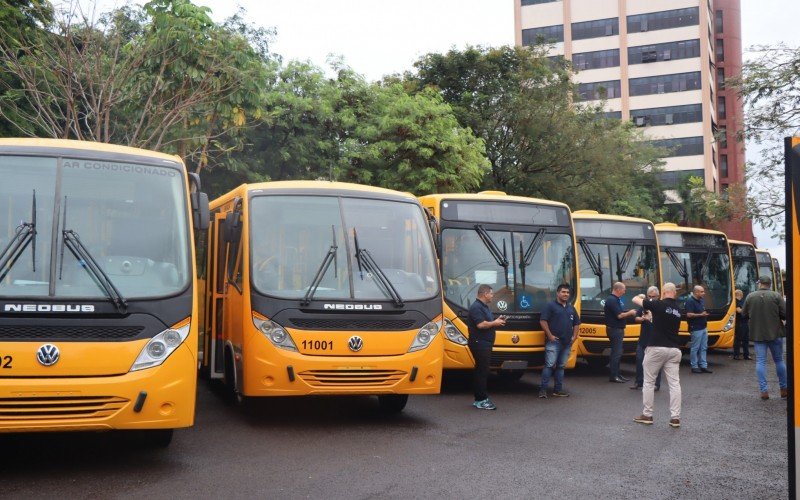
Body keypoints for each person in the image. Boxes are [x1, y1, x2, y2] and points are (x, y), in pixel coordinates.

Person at [632, 282, 683, 428]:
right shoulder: (678, 310)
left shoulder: (659, 305)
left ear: (664, 292)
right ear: (674, 293)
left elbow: (635, 300)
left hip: (656, 348)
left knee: (648, 382)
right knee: (674, 384)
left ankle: (647, 414)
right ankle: (675, 418)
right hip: (674, 349)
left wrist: (643, 297)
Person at [742, 275, 787, 400]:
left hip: (758, 334)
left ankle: (764, 391)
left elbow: (744, 314)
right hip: (775, 333)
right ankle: (784, 389)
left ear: (759, 283)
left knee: (761, 361)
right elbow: (785, 314)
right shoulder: (776, 296)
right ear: (770, 284)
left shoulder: (750, 296)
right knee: (779, 361)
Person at [467, 284, 506, 410]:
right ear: (485, 294)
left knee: (482, 370)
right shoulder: (476, 307)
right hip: (480, 343)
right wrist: (494, 323)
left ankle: (480, 398)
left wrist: (496, 320)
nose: (492, 296)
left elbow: (487, 322)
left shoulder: (483, 307)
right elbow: (480, 325)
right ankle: (481, 399)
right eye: (491, 294)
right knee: (482, 371)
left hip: (484, 343)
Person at [538, 283, 580, 399]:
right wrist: (550, 335)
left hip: (567, 342)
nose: (566, 294)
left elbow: (577, 323)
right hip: (554, 342)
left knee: (561, 367)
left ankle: (558, 390)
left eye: (567, 293)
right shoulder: (550, 306)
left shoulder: (571, 308)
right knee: (549, 365)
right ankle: (543, 390)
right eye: (563, 292)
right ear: (558, 293)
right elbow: (543, 321)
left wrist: (574, 337)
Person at [604, 282, 637, 383]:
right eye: (624, 289)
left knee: (618, 352)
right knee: (616, 353)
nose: (624, 291)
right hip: (615, 329)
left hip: (616, 329)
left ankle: (618, 374)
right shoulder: (612, 300)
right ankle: (614, 376)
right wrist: (631, 313)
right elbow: (619, 315)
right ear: (618, 289)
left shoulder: (615, 299)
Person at [631, 286, 662, 391]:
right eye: (649, 296)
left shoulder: (661, 306)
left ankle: (656, 384)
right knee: (640, 360)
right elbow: (636, 318)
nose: (652, 298)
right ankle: (639, 382)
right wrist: (642, 319)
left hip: (656, 340)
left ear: (658, 296)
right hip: (643, 339)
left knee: (656, 363)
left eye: (654, 296)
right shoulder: (645, 305)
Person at [685, 285, 712, 374]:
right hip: (695, 327)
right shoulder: (690, 301)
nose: (704, 293)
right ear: (696, 292)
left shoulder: (701, 300)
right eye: (702, 292)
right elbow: (688, 314)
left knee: (704, 347)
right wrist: (701, 315)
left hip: (703, 327)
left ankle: (703, 366)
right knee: (695, 348)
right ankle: (694, 366)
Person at [733, 289, 751, 360]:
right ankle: (736, 355)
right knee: (738, 339)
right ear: (740, 294)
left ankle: (746, 355)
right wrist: (747, 310)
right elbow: (738, 310)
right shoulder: (736, 301)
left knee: (746, 339)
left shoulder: (742, 302)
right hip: (739, 322)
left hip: (745, 322)